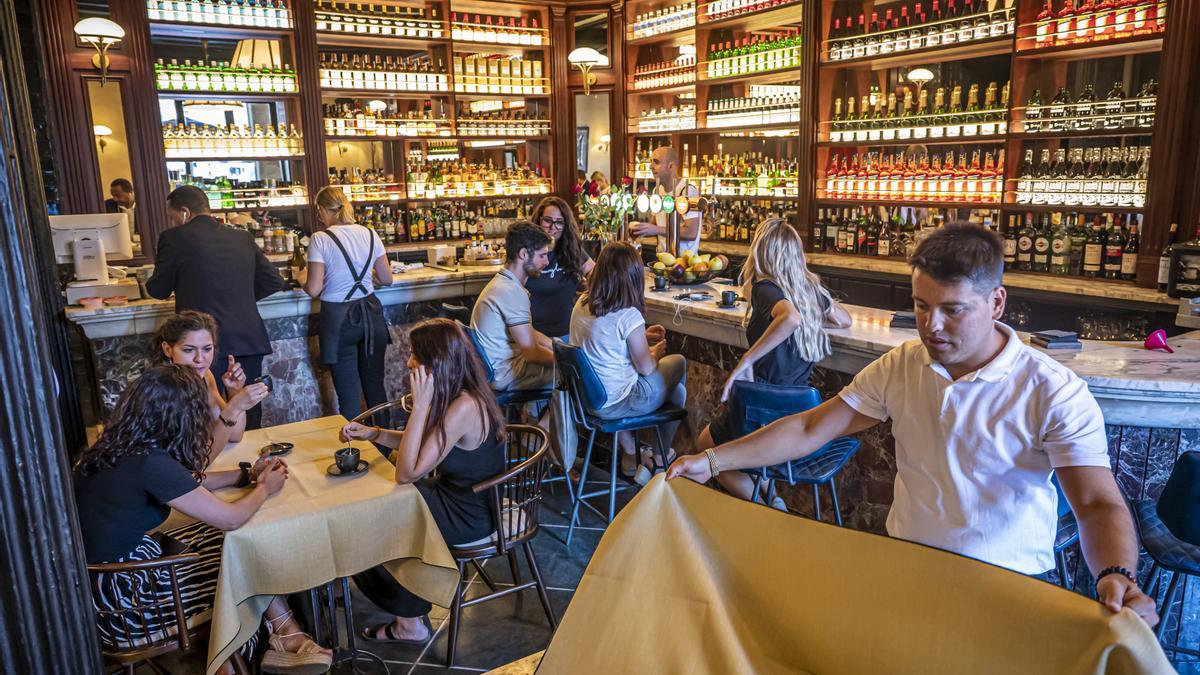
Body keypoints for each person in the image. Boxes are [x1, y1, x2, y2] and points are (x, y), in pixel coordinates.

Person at [667, 224, 1159, 627]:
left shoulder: (1052, 389)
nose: (932, 326)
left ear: (997, 303)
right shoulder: (903, 364)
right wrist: (712, 460)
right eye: (922, 306)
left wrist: (1116, 574)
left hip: (1008, 587)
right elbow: (811, 428)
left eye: (952, 309)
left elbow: (1096, 502)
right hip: (906, 569)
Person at [74, 365, 332, 674]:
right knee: (245, 552)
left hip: (101, 583)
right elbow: (231, 518)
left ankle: (282, 632)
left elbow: (182, 483)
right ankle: (271, 641)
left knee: (230, 543)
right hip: (129, 604)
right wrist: (265, 487)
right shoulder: (149, 462)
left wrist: (245, 474)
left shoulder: (121, 445)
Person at [341, 319, 506, 643]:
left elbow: (407, 472)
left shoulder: (463, 407)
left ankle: (409, 620)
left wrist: (421, 407)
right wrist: (373, 433)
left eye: (415, 354)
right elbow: (424, 447)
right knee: (373, 507)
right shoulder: (462, 392)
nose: (408, 362)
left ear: (436, 361)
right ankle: (405, 603)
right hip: (456, 496)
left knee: (364, 521)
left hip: (470, 514)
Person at [696, 218, 851, 508]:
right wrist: (814, 302)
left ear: (761, 251)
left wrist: (746, 358)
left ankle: (765, 506)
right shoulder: (808, 292)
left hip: (760, 407)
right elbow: (844, 320)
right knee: (746, 453)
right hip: (797, 416)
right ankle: (773, 498)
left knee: (705, 446)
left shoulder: (764, 287)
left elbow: (790, 318)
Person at [147, 185, 287, 429]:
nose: (173, 223)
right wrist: (239, 295)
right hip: (246, 337)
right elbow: (274, 281)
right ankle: (252, 463)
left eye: (172, 218)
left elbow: (157, 290)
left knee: (201, 411)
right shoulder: (241, 236)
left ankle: (210, 462)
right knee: (248, 407)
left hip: (199, 344)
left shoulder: (173, 238)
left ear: (184, 212)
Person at [570, 242, 684, 479]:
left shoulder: (582, 304)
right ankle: (658, 459)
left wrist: (640, 337)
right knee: (679, 364)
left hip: (586, 401)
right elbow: (646, 368)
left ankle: (636, 455)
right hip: (618, 402)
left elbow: (605, 345)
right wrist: (657, 351)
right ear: (633, 277)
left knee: (678, 392)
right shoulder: (627, 314)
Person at [299, 186, 393, 420]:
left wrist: (301, 277)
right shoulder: (370, 233)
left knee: (348, 395)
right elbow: (387, 278)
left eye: (318, 211)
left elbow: (313, 289)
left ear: (322, 209)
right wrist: (367, 278)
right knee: (375, 389)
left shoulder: (320, 239)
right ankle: (384, 450)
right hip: (371, 317)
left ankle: (355, 453)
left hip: (339, 322)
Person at [156, 311, 269, 462]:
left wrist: (234, 392)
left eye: (207, 349)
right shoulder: (161, 387)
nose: (199, 359)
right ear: (167, 349)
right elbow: (197, 463)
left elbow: (234, 435)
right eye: (188, 350)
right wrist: (234, 407)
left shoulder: (205, 376)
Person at [469, 222, 555, 392]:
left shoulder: (503, 282)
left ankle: (544, 417)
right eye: (542, 256)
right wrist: (567, 361)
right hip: (505, 375)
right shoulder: (510, 292)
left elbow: (528, 333)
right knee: (572, 375)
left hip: (493, 369)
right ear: (523, 254)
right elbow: (532, 352)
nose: (547, 262)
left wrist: (556, 346)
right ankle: (546, 419)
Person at [526, 196, 595, 342]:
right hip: (533, 337)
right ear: (538, 220)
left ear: (566, 225)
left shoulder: (572, 250)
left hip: (569, 334)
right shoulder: (526, 253)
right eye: (547, 220)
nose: (552, 227)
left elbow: (596, 274)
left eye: (559, 222)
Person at [629, 146, 702, 255]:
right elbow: (655, 225)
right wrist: (640, 229)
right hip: (662, 259)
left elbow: (691, 233)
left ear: (671, 166)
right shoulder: (657, 190)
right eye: (651, 162)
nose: (651, 166)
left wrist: (655, 229)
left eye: (656, 162)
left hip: (684, 262)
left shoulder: (687, 191)